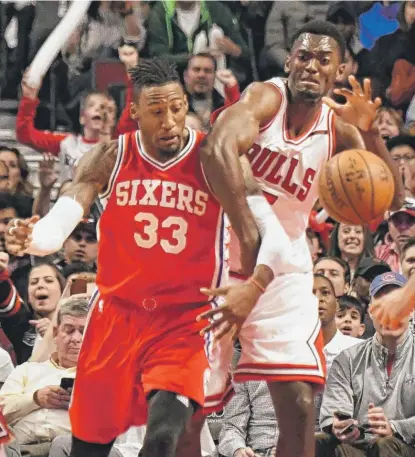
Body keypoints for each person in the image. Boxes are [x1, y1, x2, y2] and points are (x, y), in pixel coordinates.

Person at [5, 58, 292, 457]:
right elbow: (60, 222)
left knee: (161, 439)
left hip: (183, 322)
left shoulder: (215, 158)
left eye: (177, 108)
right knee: (89, 449)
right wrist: (31, 238)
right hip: (114, 321)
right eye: (157, 112)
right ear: (135, 112)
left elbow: (273, 234)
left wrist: (256, 284)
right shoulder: (109, 156)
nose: (171, 121)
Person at [197, 20, 404, 457]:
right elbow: (216, 146)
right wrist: (251, 231)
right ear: (289, 60)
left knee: (300, 403)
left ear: (340, 69)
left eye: (323, 60)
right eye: (304, 56)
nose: (311, 66)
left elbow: (394, 202)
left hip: (286, 268)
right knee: (193, 403)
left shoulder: (339, 129)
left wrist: (369, 133)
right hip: (217, 258)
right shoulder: (265, 98)